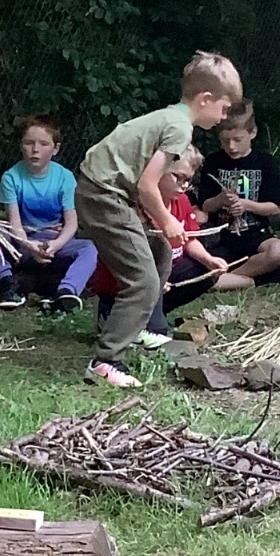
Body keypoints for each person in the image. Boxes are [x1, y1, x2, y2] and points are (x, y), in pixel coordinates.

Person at [76, 50, 241, 388]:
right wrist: (167, 220)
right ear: (205, 99)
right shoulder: (179, 128)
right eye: (224, 108)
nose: (224, 117)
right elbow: (148, 185)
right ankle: (105, 361)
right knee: (144, 280)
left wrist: (158, 223)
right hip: (102, 195)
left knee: (159, 251)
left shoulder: (170, 118)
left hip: (107, 192)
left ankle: (133, 327)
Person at [91, 147, 243, 345]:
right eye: (178, 177)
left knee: (207, 271)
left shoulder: (182, 201)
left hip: (164, 273)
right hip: (130, 280)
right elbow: (123, 257)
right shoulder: (131, 206)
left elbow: (190, 239)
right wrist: (152, 281)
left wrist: (209, 259)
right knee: (158, 332)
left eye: (188, 180)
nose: (184, 185)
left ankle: (152, 314)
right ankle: (115, 315)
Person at [0, 116, 97, 312]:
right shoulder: (11, 177)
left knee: (90, 247)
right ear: (21, 146)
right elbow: (14, 223)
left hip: (55, 242)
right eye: (29, 143)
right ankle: (6, 282)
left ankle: (66, 291)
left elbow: (71, 224)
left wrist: (55, 245)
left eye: (43, 144)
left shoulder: (65, 177)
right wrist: (29, 245)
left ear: (55, 148)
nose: (35, 149)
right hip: (22, 242)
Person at [198, 101, 280, 284]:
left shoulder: (266, 162)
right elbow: (204, 206)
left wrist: (246, 205)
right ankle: (250, 277)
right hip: (220, 237)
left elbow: (275, 207)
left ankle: (227, 279)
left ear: (252, 133)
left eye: (237, 140)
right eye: (225, 141)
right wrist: (220, 200)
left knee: (278, 251)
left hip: (255, 234)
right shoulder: (213, 161)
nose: (231, 146)